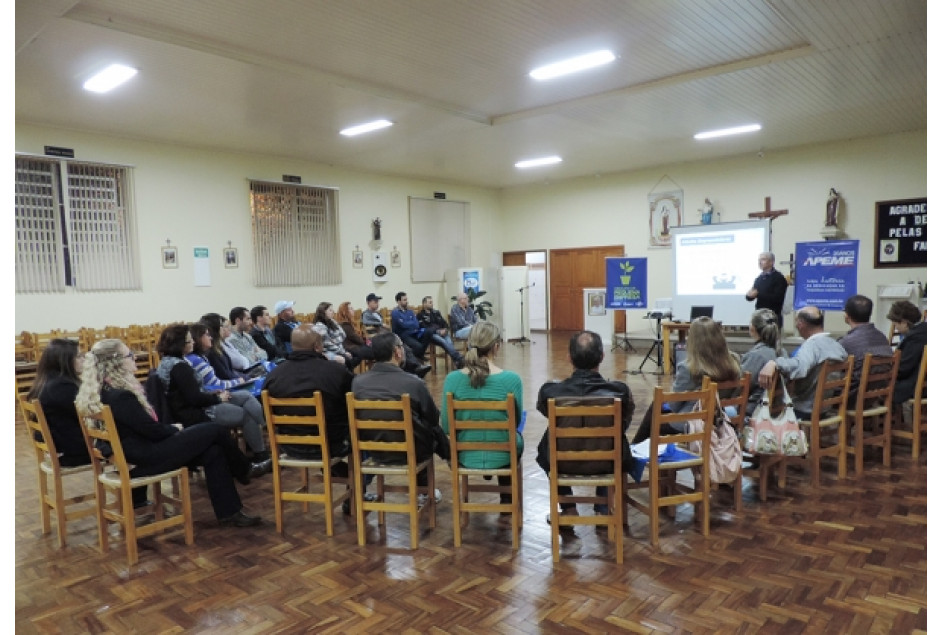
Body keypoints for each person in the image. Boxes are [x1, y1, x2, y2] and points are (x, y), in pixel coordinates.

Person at [75, 338, 268, 527]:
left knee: (214, 452)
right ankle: (245, 469)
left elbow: (145, 429)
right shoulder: (120, 396)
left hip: (137, 451)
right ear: (115, 363)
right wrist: (174, 428)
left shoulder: (104, 390)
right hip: (146, 456)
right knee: (214, 429)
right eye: (130, 355)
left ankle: (230, 513)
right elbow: (152, 431)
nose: (134, 359)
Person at [536, 331, 635, 523]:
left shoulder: (550, 392)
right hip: (607, 462)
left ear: (569, 358)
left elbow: (544, 411)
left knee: (552, 440)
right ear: (602, 357)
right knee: (611, 438)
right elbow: (625, 420)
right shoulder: (619, 392)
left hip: (562, 462)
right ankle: (603, 507)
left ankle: (569, 508)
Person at [351, 332, 450, 503]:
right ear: (397, 352)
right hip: (409, 451)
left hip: (373, 450)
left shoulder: (358, 382)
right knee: (429, 428)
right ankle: (425, 488)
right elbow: (433, 418)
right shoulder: (413, 382)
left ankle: (356, 492)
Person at [440, 322, 522, 510]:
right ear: (496, 346)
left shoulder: (452, 379)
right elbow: (515, 423)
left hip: (465, 455)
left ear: (469, 344)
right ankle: (507, 499)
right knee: (514, 439)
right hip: (503, 455)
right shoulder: (511, 380)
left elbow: (446, 426)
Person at [163, 323, 270, 460]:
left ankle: (265, 433)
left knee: (246, 396)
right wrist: (218, 398)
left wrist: (214, 393)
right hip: (199, 411)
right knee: (247, 413)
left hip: (202, 401)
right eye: (189, 340)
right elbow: (194, 398)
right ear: (180, 344)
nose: (193, 342)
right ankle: (261, 451)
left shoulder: (172, 361)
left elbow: (192, 391)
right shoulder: (181, 366)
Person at [632, 316, 741, 443]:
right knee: (657, 406)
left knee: (656, 409)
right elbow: (735, 396)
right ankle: (634, 450)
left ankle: (636, 449)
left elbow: (674, 406)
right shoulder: (735, 362)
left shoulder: (690, 368)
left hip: (693, 424)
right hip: (721, 421)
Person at [262, 326, 353, 461]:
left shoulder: (273, 376)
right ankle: (359, 477)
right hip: (332, 445)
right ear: (317, 346)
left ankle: (334, 471)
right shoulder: (336, 372)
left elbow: (266, 415)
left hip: (290, 445)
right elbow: (352, 405)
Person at [758, 306, 848, 419]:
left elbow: (800, 368)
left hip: (806, 408)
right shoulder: (836, 345)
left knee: (769, 414)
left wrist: (774, 363)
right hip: (826, 407)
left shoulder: (812, 346)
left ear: (800, 324)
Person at [25, 338, 89, 466]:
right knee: (122, 441)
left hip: (62, 443)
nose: (84, 360)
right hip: (71, 451)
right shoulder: (62, 386)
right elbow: (88, 413)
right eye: (79, 357)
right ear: (64, 361)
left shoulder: (48, 380)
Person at [838, 294, 892, 401]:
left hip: (853, 398)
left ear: (846, 316)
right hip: (878, 395)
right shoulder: (882, 337)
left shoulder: (846, 342)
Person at [739, 309, 785, 416]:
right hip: (773, 410)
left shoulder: (757, 356)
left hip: (751, 413)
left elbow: (739, 389)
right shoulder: (782, 352)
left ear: (752, 328)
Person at [886, 300, 927, 405]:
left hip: (916, 385)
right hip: (924, 382)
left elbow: (904, 368)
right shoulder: (924, 329)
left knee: (877, 388)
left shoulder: (915, 338)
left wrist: (888, 372)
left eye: (896, 324)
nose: (896, 328)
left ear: (904, 322)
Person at [417, 295, 464, 368]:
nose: (432, 304)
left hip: (443, 332)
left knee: (449, 342)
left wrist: (445, 329)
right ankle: (458, 358)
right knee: (443, 342)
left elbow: (444, 323)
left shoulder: (436, 312)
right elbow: (424, 327)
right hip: (432, 335)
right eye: (430, 302)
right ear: (424, 304)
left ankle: (457, 361)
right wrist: (438, 331)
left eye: (432, 302)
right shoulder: (420, 315)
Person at [313, 301, 361, 371]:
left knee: (357, 354)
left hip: (339, 347)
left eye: (333, 310)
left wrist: (334, 340)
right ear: (323, 312)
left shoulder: (332, 321)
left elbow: (343, 335)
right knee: (346, 359)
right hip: (327, 351)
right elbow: (328, 344)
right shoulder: (320, 325)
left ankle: (348, 374)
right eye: (330, 310)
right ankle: (348, 376)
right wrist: (343, 352)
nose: (333, 312)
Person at [746, 251, 789, 327]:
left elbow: (778, 298)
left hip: (772, 316)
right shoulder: (759, 278)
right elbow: (752, 295)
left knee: (770, 338)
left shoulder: (778, 278)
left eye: (763, 259)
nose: (760, 262)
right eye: (759, 260)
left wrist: (758, 294)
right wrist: (749, 296)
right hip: (760, 315)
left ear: (771, 262)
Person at [391, 291, 433, 360]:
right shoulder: (395, 312)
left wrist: (409, 323)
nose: (407, 301)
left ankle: (418, 355)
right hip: (403, 335)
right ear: (398, 301)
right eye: (404, 300)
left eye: (406, 299)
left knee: (428, 332)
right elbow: (403, 325)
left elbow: (416, 324)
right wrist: (411, 323)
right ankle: (416, 357)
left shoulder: (410, 311)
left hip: (414, 333)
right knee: (419, 346)